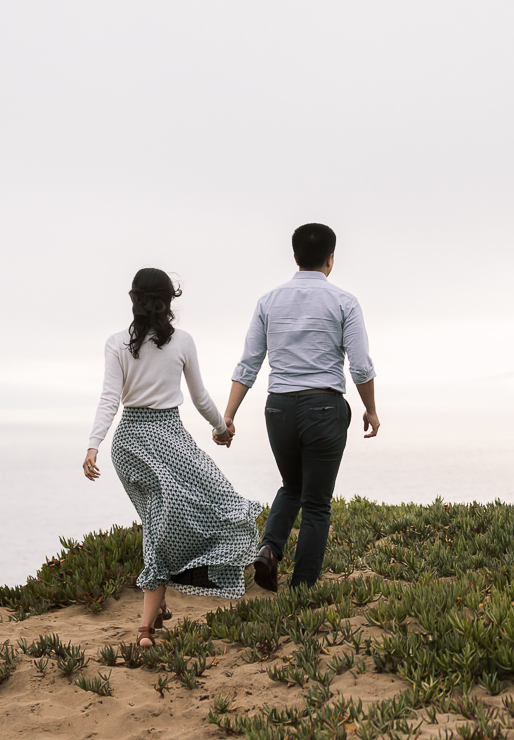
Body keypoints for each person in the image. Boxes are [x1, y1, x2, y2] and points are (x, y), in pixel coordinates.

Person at [83, 268, 260, 647]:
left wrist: (94, 444)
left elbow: (109, 400)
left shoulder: (116, 343)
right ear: (170, 301)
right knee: (225, 504)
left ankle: (152, 618)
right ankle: (147, 624)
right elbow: (200, 398)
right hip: (168, 438)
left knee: (156, 522)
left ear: (133, 300)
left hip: (127, 444)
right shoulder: (182, 342)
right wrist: (222, 429)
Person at [216, 223, 379, 591]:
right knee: (317, 504)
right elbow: (361, 366)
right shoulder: (344, 302)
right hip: (324, 407)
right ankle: (302, 588)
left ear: (294, 257)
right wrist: (370, 409)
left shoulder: (268, 301)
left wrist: (229, 414)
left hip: (278, 410)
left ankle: (270, 549)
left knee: (292, 485)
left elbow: (249, 364)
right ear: (331, 259)